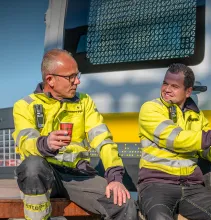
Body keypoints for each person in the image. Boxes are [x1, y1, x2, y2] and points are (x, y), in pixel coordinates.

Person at [12, 49, 137, 220]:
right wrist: (46, 143)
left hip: (78, 176)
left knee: (124, 204)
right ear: (50, 80)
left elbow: (103, 139)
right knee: (32, 166)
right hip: (45, 176)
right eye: (70, 77)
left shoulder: (84, 101)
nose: (77, 81)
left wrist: (115, 177)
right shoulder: (24, 105)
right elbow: (26, 142)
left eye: (77, 75)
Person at [137, 63, 211, 220]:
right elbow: (177, 139)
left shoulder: (197, 116)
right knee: (159, 217)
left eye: (174, 86)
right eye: (165, 83)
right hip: (156, 184)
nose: (167, 89)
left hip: (191, 187)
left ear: (188, 91)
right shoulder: (150, 109)